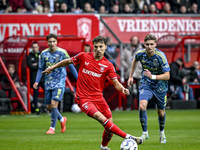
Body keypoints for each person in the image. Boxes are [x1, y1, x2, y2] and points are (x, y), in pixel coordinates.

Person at [42, 36, 143, 150]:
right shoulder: (84, 56)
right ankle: (129, 137)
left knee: (109, 125)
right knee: (101, 119)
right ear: (93, 47)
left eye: (101, 47)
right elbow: (67, 61)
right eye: (96, 47)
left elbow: (116, 83)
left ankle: (103, 147)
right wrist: (53, 67)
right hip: (84, 98)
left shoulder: (108, 65)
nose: (98, 49)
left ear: (105, 47)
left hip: (99, 98)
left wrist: (123, 89)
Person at [128, 34, 170, 143]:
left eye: (152, 44)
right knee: (142, 106)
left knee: (161, 112)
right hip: (146, 83)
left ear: (155, 44)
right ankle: (145, 133)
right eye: (147, 44)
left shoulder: (161, 56)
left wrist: (153, 76)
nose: (149, 46)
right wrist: (131, 76)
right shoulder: (140, 54)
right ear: (144, 44)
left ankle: (161, 132)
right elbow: (134, 60)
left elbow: (167, 75)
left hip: (160, 86)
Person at [33, 33, 78, 134]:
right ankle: (62, 119)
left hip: (59, 82)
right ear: (47, 42)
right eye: (50, 42)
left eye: (54, 41)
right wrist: (37, 81)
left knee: (54, 104)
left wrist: (78, 78)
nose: (52, 43)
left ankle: (52, 128)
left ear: (57, 42)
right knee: (49, 107)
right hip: (48, 83)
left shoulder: (63, 53)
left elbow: (70, 65)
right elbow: (40, 68)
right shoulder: (43, 54)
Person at [121, 35, 143, 110]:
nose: (134, 41)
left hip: (138, 72)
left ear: (138, 41)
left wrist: (140, 67)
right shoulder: (126, 49)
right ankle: (128, 106)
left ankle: (140, 106)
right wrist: (127, 66)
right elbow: (122, 60)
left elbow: (144, 60)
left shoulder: (141, 49)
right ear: (131, 41)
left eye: (135, 40)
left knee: (140, 90)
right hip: (129, 72)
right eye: (133, 40)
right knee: (129, 90)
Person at [27, 41, 45, 115]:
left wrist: (36, 65)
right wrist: (38, 65)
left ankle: (47, 107)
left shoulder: (42, 54)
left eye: (36, 47)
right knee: (35, 94)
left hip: (43, 78)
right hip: (34, 79)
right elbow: (30, 66)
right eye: (33, 47)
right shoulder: (29, 56)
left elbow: (44, 65)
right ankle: (36, 108)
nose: (35, 48)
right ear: (32, 48)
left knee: (48, 92)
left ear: (38, 47)